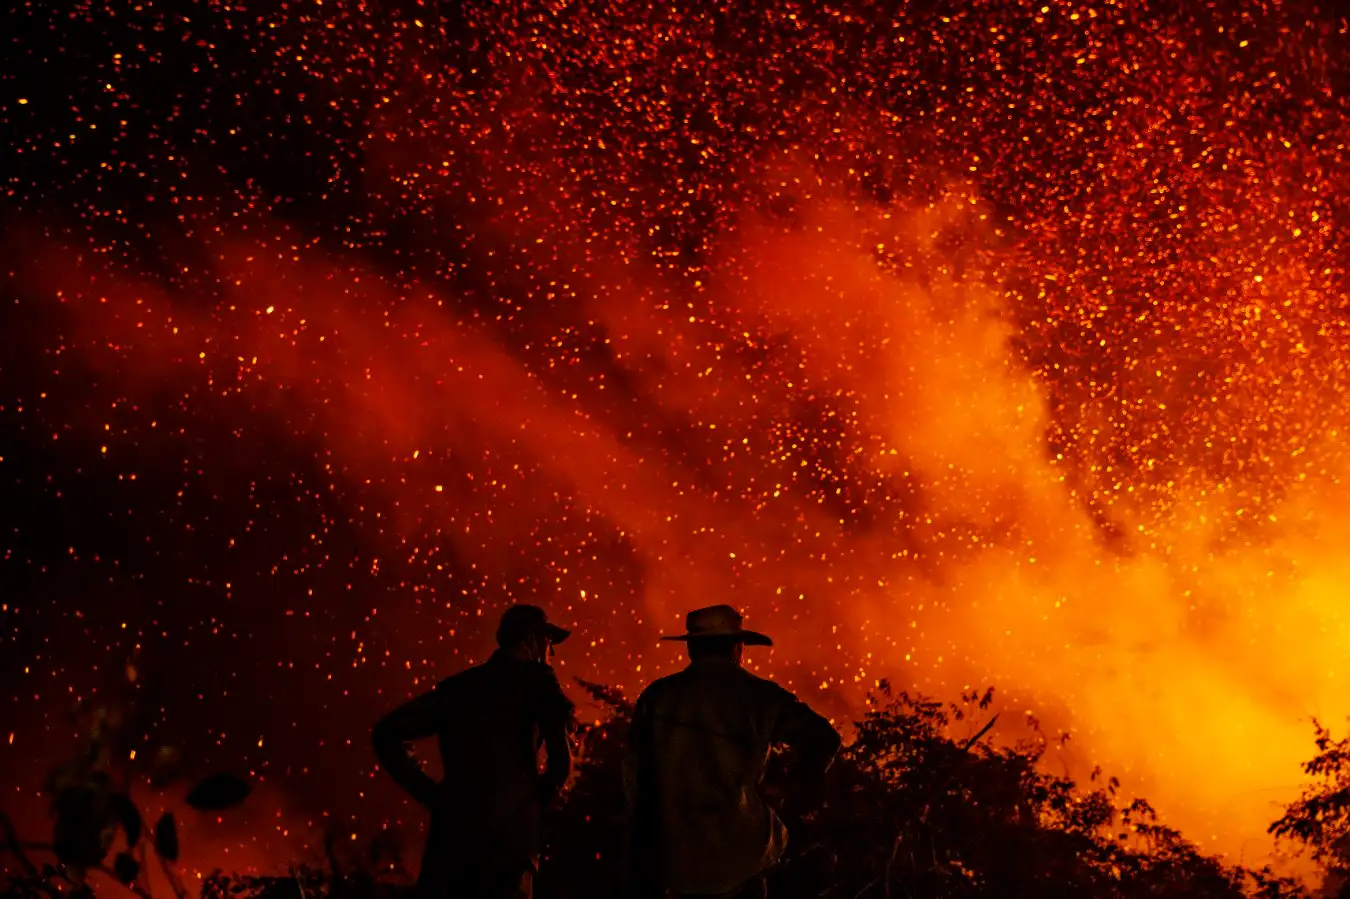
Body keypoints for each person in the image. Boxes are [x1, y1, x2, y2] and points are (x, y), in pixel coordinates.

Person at [623, 604, 842, 899]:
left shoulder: (657, 696)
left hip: (671, 860)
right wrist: (796, 794)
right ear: (737, 646)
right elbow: (825, 739)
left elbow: (633, 776)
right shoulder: (760, 696)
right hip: (741, 855)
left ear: (692, 648)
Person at [372, 604, 575, 899]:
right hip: (508, 852)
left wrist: (431, 795)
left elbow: (386, 733)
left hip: (452, 844)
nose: (551, 652)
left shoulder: (458, 689)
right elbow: (560, 763)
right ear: (531, 639)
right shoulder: (538, 681)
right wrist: (531, 805)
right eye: (548, 641)